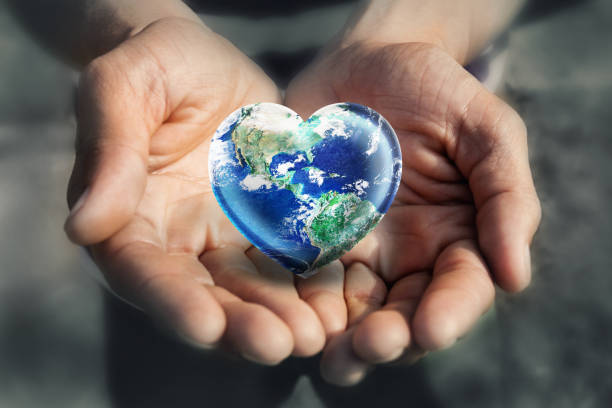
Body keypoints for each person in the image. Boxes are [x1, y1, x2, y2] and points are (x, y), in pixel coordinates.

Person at [8, 0, 541, 389]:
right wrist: (134, 27)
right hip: (164, 151)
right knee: (185, 369)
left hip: (420, 140)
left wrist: (423, 28)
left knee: (407, 349)